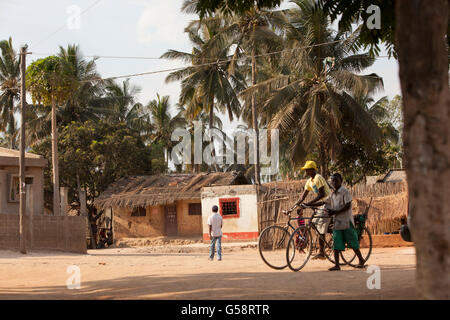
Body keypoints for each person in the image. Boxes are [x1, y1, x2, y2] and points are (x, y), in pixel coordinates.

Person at [323, 173, 366, 271]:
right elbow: (325, 201)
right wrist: (310, 204)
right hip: (337, 222)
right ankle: (337, 265)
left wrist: (335, 211)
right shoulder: (332, 193)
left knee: (353, 242)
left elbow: (347, 205)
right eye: (332, 181)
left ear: (341, 181)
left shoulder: (344, 191)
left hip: (346, 221)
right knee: (336, 243)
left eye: (336, 180)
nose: (334, 182)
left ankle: (361, 259)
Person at [295, 160, 331, 259]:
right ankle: (324, 246)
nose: (305, 172)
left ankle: (322, 252)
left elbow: (322, 194)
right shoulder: (309, 181)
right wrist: (294, 206)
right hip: (321, 204)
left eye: (307, 170)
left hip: (328, 202)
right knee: (315, 224)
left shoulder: (318, 178)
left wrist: (309, 203)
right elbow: (302, 196)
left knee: (320, 225)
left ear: (312, 170)